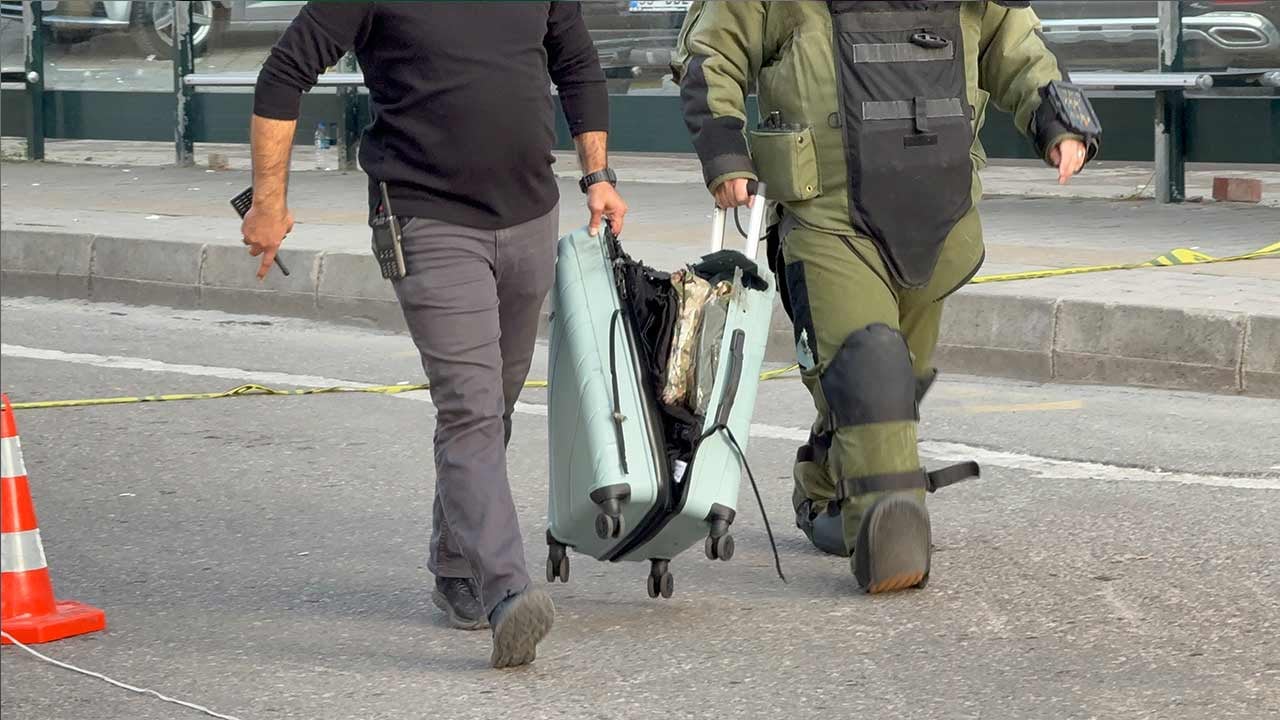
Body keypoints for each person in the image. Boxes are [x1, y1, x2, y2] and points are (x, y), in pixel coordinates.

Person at [242, 1, 628, 668]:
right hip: (426, 219)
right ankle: (508, 591)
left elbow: (578, 64)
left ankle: (458, 569)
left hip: (531, 212)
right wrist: (269, 200)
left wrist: (597, 176)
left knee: (496, 404)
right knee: (471, 409)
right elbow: (284, 73)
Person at [672, 1, 1099, 593]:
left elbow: (1015, 44)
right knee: (869, 370)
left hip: (939, 212)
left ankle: (825, 491)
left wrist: (1059, 119)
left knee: (900, 378)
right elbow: (712, 52)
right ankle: (890, 537)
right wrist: (724, 150)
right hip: (829, 214)